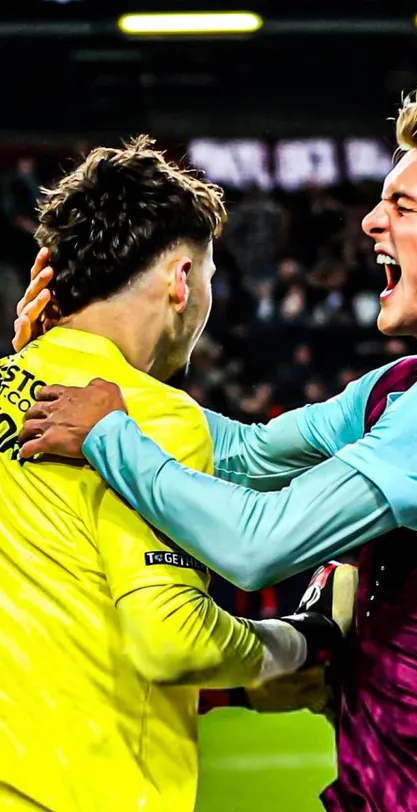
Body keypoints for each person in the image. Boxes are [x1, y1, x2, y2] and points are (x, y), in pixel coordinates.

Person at [16, 76, 417, 812]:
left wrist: (109, 435)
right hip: (388, 789)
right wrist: (76, 360)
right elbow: (247, 453)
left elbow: (260, 543)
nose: (369, 224)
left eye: (401, 205)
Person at [0, 137, 353, 812]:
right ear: (180, 280)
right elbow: (172, 644)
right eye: (212, 279)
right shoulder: (148, 414)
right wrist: (303, 644)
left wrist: (241, 687)